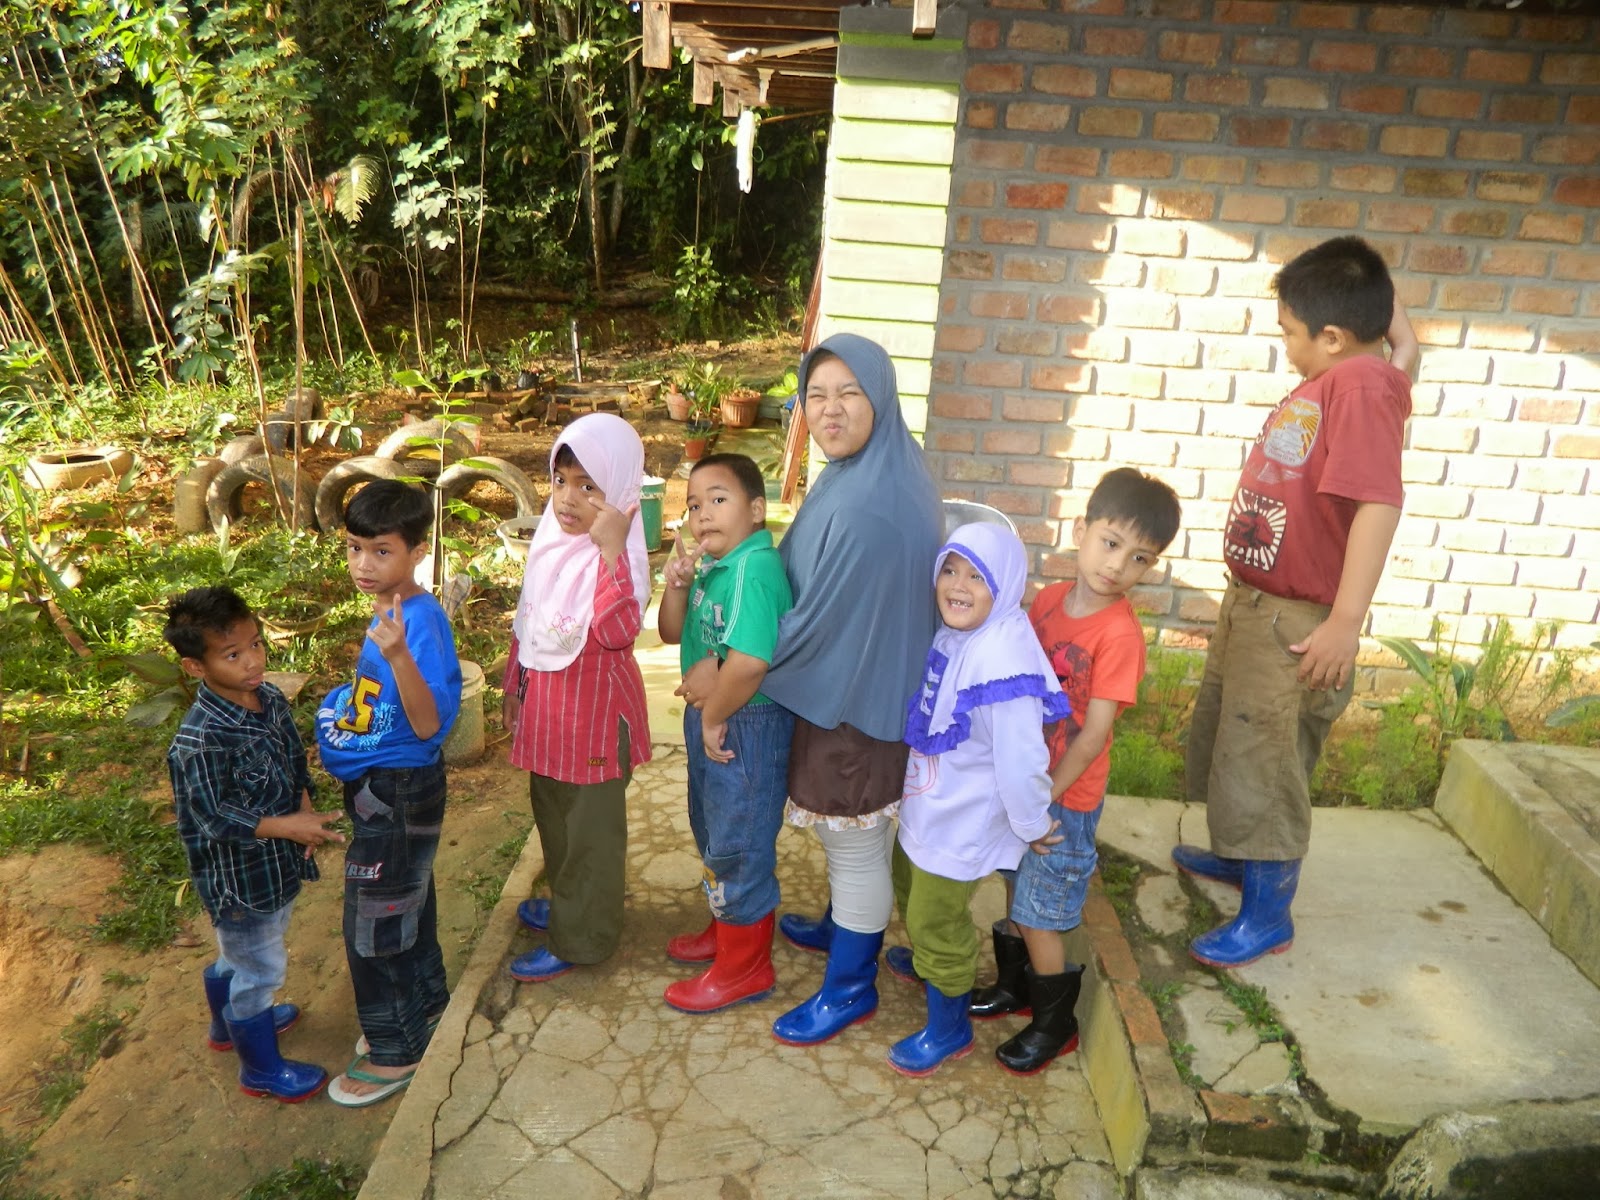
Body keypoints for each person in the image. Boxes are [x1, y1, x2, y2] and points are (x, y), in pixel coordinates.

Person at [679, 333, 943, 1048]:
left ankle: (850, 988)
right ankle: (838, 928)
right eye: (817, 396)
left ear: (880, 398)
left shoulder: (868, 504)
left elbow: (813, 624)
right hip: (858, 685)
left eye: (849, 394)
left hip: (856, 704)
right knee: (848, 842)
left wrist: (726, 669)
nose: (830, 411)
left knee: (851, 843)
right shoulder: (872, 465)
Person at [1173, 235, 1417, 968]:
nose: (1287, 348)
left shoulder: (1364, 388)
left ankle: (1268, 911)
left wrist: (1346, 623)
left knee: (1268, 755)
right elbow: (1400, 339)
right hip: (1255, 608)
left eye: (1290, 333)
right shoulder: (1368, 372)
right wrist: (1365, 286)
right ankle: (1245, 855)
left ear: (1334, 336)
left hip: (1298, 622)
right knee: (1233, 737)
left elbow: (1377, 502)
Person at [971, 468, 1181, 1076]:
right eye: (1110, 543)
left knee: (1041, 910)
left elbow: (1093, 736)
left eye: (1138, 558)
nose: (1117, 566)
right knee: (1014, 884)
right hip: (1025, 784)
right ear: (1082, 530)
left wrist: (1042, 801)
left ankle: (1054, 1023)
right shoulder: (1046, 602)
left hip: (1064, 797)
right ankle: (1015, 990)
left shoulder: (1119, 635)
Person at [885, 523, 1072, 1077]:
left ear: (1006, 584)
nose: (957, 584)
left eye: (976, 575)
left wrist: (1033, 822)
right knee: (909, 885)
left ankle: (950, 1023)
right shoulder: (962, 633)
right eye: (950, 569)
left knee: (936, 914)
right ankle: (929, 958)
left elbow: (1021, 759)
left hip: (962, 820)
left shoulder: (1005, 661)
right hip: (933, 805)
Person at [164, 585, 343, 1103]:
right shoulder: (200, 741)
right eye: (233, 654)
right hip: (239, 880)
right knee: (258, 967)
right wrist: (289, 827)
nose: (253, 661)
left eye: (257, 644)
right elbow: (215, 816)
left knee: (241, 956)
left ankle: (227, 1028)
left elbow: (292, 760)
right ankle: (259, 1069)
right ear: (197, 668)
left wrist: (303, 806)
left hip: (273, 866)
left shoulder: (269, 698)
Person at [316, 480, 462, 1107]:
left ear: (416, 551)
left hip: (403, 788)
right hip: (390, 789)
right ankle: (424, 1014)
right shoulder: (392, 609)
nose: (363, 566)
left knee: (373, 925)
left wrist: (399, 654)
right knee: (407, 908)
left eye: (380, 552)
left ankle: (396, 1051)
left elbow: (431, 725)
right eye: (353, 550)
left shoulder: (418, 623)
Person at [501, 413, 651, 985]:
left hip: (591, 722)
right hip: (548, 716)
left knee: (591, 837)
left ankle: (583, 935)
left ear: (620, 495)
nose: (569, 499)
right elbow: (529, 620)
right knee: (555, 822)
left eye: (590, 488)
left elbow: (617, 631)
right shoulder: (551, 544)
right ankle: (572, 902)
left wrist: (611, 551)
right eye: (561, 480)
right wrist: (514, 689)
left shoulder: (620, 559)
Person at [657, 453, 795, 1013]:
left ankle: (745, 967)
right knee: (712, 824)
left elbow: (749, 662)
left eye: (718, 499)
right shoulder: (717, 568)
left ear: (757, 510)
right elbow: (670, 633)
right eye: (694, 505)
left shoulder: (754, 569)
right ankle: (726, 927)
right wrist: (677, 587)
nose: (703, 514)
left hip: (745, 720)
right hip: (718, 717)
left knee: (740, 839)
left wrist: (712, 715)